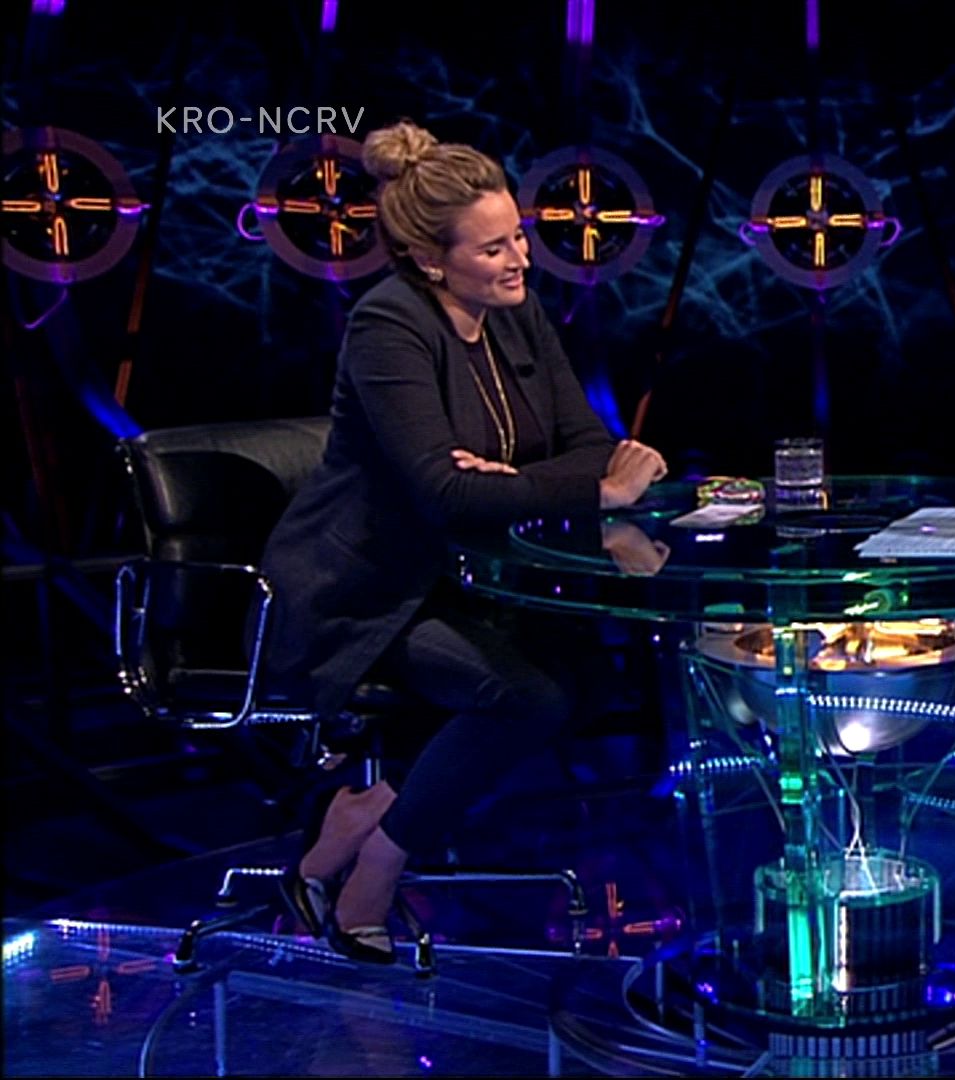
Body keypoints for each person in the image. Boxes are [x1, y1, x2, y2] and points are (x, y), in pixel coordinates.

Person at [258, 119, 670, 964]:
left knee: (593, 679)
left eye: (518, 235)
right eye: (493, 249)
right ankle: (379, 866)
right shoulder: (389, 325)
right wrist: (589, 490)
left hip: (469, 578)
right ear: (429, 258)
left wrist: (518, 478)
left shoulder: (515, 314)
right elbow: (444, 493)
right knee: (528, 698)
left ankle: (362, 809)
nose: (521, 259)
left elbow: (587, 443)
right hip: (370, 589)